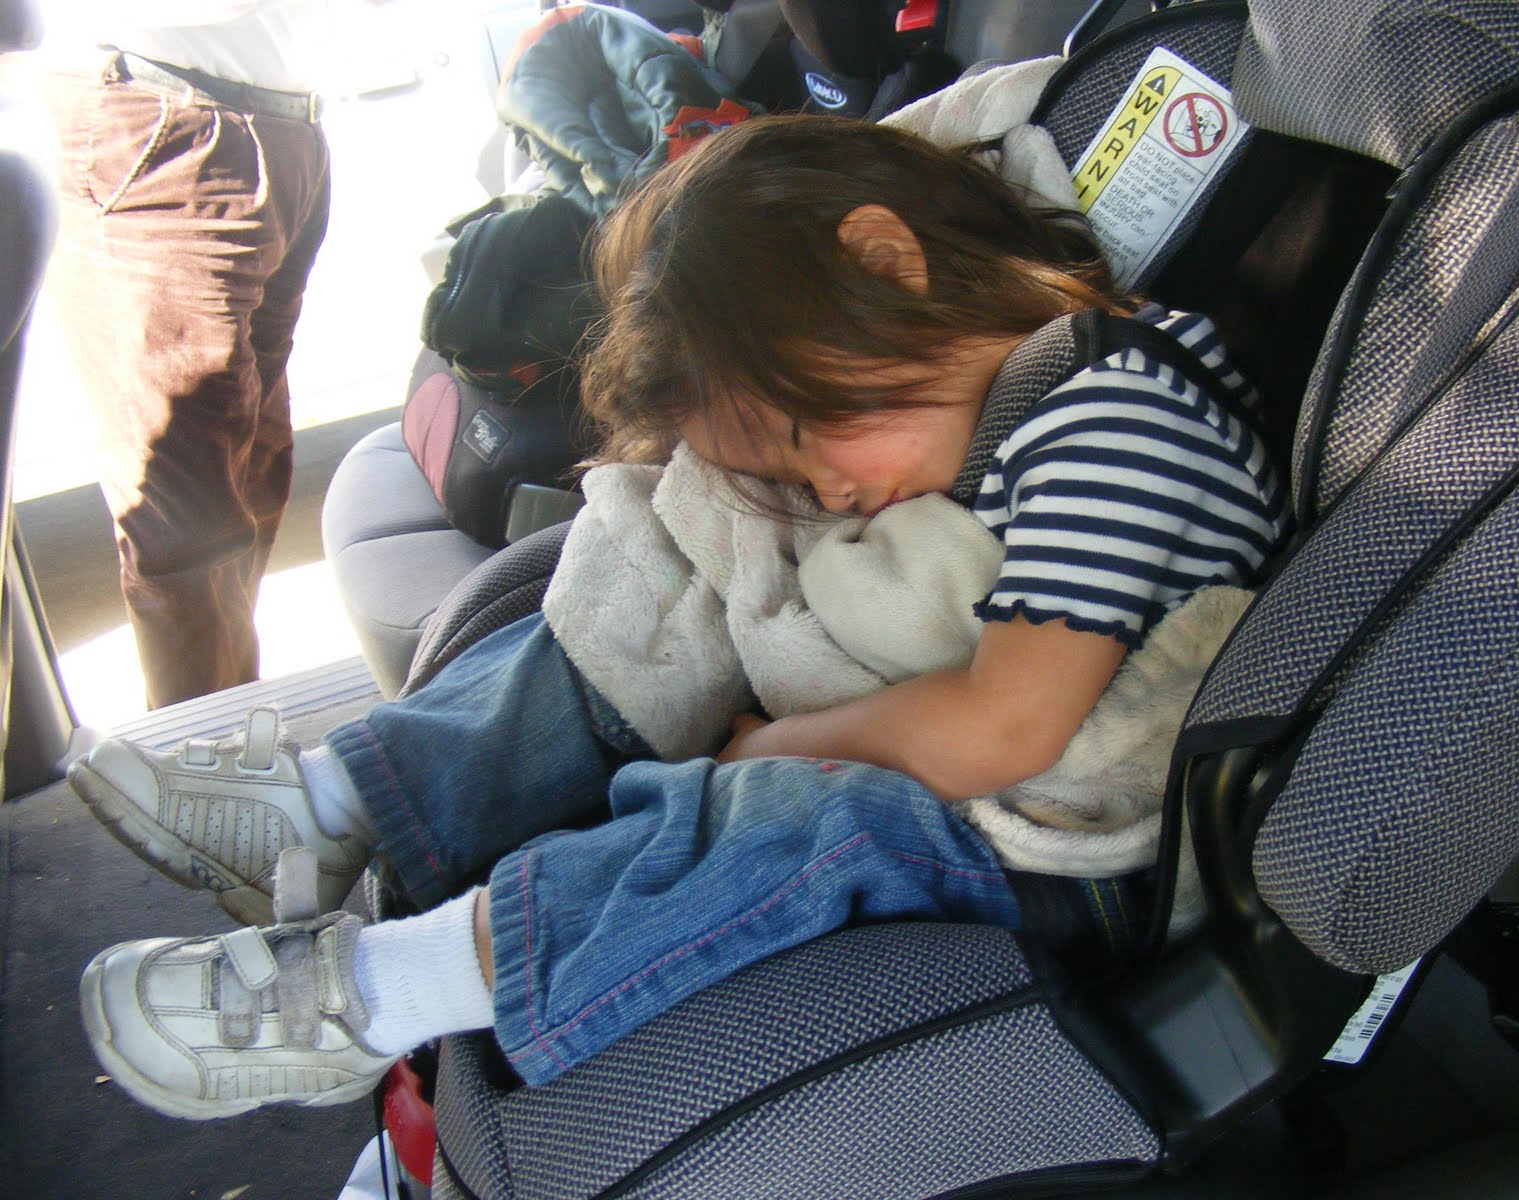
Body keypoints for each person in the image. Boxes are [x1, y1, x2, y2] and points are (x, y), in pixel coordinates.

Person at [69, 115, 1288, 1120]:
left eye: (806, 435)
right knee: (673, 570)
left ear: (887, 264)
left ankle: (377, 996)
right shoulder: (995, 412)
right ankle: (340, 803)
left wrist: (778, 746)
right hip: (966, 761)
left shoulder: (1116, 412)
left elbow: (1007, 727)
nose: (828, 490)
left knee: (793, 816)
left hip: (1074, 861)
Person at [40, 1, 339, 707]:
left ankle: (229, 726)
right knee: (186, 517)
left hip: (273, 127)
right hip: (165, 120)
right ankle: (202, 754)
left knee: (252, 471)